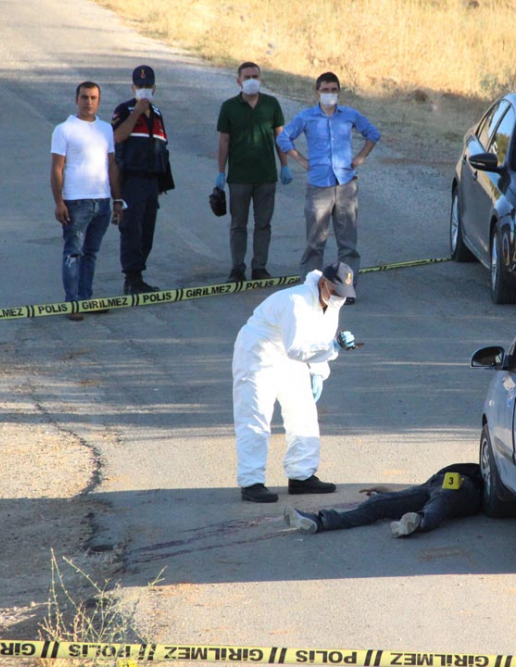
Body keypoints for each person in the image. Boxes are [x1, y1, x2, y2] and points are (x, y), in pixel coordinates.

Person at [232, 261, 359, 503]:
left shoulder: (331, 302)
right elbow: (297, 349)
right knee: (255, 415)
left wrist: (319, 372)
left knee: (303, 414)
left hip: (289, 354)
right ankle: (251, 482)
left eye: (343, 295)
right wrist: (333, 348)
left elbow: (320, 337)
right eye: (336, 292)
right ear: (324, 283)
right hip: (257, 354)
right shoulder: (296, 301)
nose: (339, 299)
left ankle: (301, 476)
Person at [277, 72, 381, 303]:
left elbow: (373, 134)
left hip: (345, 184)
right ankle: (312, 289)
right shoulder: (307, 117)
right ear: (317, 92)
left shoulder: (349, 115)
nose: (330, 94)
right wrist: (301, 160)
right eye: (325, 90)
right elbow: (283, 138)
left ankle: (346, 288)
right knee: (316, 240)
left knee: (347, 242)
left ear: (339, 92)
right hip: (319, 185)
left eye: (334, 90)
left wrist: (361, 157)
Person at [50, 81, 121, 321]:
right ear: (76, 99)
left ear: (99, 101)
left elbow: (111, 165)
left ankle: (85, 297)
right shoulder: (64, 130)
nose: (88, 102)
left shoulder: (106, 130)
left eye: (93, 98)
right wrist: (59, 202)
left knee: (91, 253)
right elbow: (57, 168)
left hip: (101, 201)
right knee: (73, 252)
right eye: (84, 97)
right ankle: (72, 303)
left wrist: (117, 199)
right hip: (76, 202)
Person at [216, 62, 291, 284]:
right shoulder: (229, 107)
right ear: (238, 81)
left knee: (263, 224)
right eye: (247, 76)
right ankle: (237, 268)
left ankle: (260, 267)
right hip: (238, 178)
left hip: (266, 176)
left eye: (255, 76)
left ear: (261, 79)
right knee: (238, 224)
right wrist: (221, 172)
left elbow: (280, 137)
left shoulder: (272, 104)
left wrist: (284, 165)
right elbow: (224, 142)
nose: (251, 80)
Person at [284, 463, 483, 538]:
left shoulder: (484, 472)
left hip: (464, 484)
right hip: (430, 484)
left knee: (442, 498)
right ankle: (320, 521)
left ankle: (418, 522)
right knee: (379, 503)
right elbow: (413, 492)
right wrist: (389, 491)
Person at [111, 65, 173, 295]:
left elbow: (162, 148)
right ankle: (132, 277)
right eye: (140, 86)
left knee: (147, 231)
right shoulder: (124, 110)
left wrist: (162, 182)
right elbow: (116, 138)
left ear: (154, 88)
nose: (144, 90)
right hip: (131, 180)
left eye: (148, 86)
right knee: (131, 230)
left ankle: (138, 275)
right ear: (132, 87)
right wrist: (137, 111)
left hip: (151, 182)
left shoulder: (157, 114)